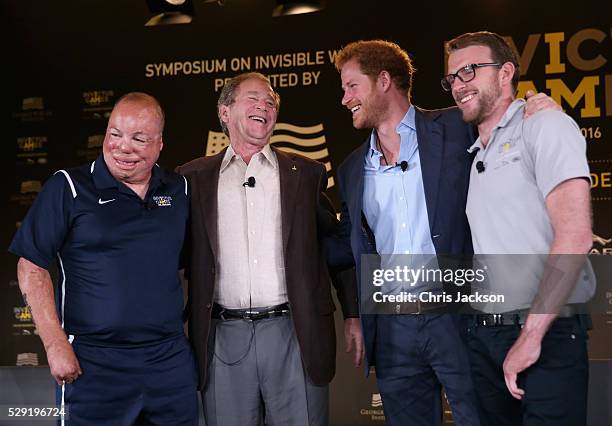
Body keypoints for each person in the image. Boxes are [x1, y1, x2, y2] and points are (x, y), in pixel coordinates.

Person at [329, 40, 559, 426]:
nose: (344, 98)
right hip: (393, 328)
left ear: (384, 80)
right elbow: (347, 247)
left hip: (460, 317)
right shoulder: (352, 169)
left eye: (352, 86)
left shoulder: (456, 126)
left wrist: (539, 108)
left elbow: (509, 124)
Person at [176, 72, 359, 426]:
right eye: (253, 99)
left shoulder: (304, 174)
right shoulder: (192, 178)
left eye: (270, 102)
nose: (264, 106)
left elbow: (336, 250)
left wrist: (353, 314)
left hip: (294, 332)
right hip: (222, 338)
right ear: (225, 112)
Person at [8, 92, 198, 425]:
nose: (124, 147)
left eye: (139, 138)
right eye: (115, 134)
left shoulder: (179, 190)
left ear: (159, 145)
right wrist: (54, 344)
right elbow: (31, 265)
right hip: (93, 364)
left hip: (168, 364)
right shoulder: (67, 187)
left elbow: (188, 264)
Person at [444, 31, 594, 426]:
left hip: (548, 333)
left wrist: (530, 336)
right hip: (486, 336)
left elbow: (575, 236)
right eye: (453, 78)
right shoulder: (475, 149)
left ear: (506, 72)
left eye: (470, 71)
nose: (459, 85)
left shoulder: (544, 125)